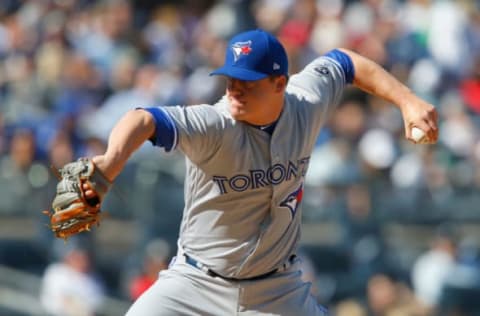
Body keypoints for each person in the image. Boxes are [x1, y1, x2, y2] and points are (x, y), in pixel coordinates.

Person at [78, 29, 438, 315]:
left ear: (280, 83)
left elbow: (346, 62)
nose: (235, 89)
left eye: (247, 81)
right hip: (195, 285)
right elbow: (142, 119)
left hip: (277, 292)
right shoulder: (213, 124)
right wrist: (110, 163)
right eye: (230, 78)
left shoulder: (307, 100)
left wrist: (407, 100)